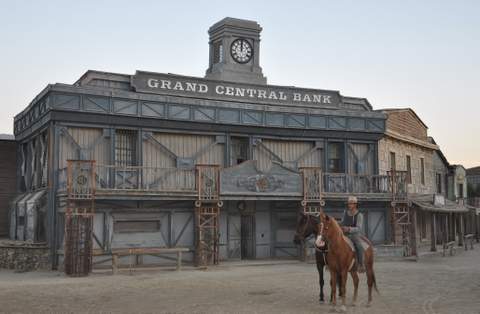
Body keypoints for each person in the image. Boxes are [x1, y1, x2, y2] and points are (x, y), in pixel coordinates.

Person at [340, 196, 365, 272]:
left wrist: (349, 229)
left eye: (351, 204)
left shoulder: (359, 215)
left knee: (359, 246)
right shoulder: (345, 213)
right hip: (344, 234)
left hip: (354, 235)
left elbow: (359, 228)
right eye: (349, 204)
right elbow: (342, 222)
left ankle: (361, 265)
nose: (349, 205)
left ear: (355, 205)